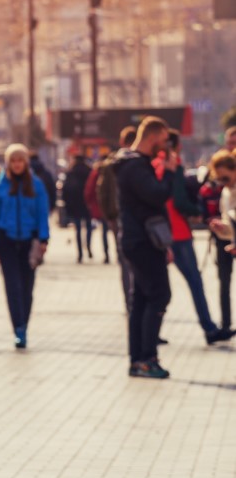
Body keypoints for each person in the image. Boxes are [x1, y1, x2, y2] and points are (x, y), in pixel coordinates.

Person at [113, 118, 177, 378]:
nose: (164, 146)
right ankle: (147, 357)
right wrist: (171, 172)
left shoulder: (131, 164)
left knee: (140, 299)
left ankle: (138, 359)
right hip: (142, 241)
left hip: (140, 239)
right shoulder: (135, 167)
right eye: (162, 141)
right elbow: (157, 195)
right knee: (159, 295)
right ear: (153, 137)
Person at [159, 134, 227, 345]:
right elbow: (179, 200)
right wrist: (196, 211)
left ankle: (150, 333)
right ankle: (209, 328)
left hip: (160, 232)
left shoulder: (153, 164)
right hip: (178, 232)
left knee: (157, 287)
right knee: (195, 282)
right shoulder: (174, 165)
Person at [0, 144, 50, 350]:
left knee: (27, 287)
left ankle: (25, 324)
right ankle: (18, 329)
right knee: (12, 286)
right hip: (6, 240)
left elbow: (42, 213)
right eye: (13, 161)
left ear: (25, 162)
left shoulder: (36, 185)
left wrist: (43, 238)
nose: (16, 165)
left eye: (20, 160)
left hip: (29, 241)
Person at [99, 127, 137, 308]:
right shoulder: (139, 162)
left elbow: (102, 192)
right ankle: (133, 301)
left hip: (117, 218)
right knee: (133, 261)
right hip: (127, 218)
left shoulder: (110, 163)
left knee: (124, 261)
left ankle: (130, 302)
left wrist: (109, 216)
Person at [201, 149, 236, 334]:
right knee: (224, 282)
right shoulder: (225, 191)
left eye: (225, 177)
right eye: (220, 178)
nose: (223, 182)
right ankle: (226, 324)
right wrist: (219, 226)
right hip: (224, 241)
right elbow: (227, 218)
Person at [62, 154, 94, 262]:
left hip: (75, 204)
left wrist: (67, 204)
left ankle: (80, 253)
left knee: (78, 229)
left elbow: (66, 189)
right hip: (87, 203)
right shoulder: (89, 171)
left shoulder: (71, 172)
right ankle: (88, 245)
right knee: (89, 227)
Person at [84, 151, 112, 266]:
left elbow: (89, 190)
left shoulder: (95, 173)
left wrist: (89, 204)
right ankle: (106, 254)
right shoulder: (110, 172)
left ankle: (89, 249)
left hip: (95, 207)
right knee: (105, 232)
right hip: (107, 207)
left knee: (90, 229)